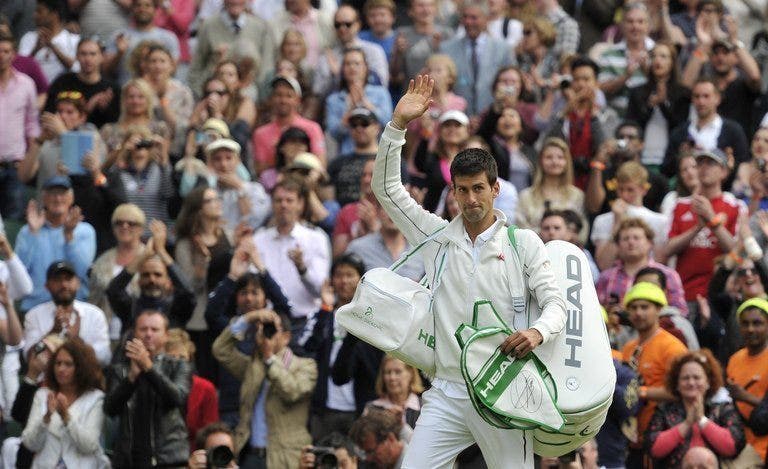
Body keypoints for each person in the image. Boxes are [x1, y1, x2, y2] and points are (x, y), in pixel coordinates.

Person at [373, 75, 566, 467]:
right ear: (454, 191)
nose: (471, 198)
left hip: (504, 384)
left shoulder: (523, 242)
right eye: (463, 190)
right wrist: (396, 127)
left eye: (479, 188)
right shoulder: (437, 237)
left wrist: (536, 331)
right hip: (447, 391)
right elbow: (388, 190)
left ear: (495, 189)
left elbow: (556, 304)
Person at [212, 310, 317, 468]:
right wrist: (248, 318)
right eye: (263, 329)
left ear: (287, 337)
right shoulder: (253, 366)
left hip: (285, 458)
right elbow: (221, 350)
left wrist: (269, 358)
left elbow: (292, 391)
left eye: (273, 330)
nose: (266, 334)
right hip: (249, 454)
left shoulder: (305, 366)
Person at [205, 239, 291, 428]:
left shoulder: (274, 327)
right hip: (232, 406)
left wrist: (261, 267)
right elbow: (211, 314)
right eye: (243, 293)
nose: (249, 298)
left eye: (255, 292)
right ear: (236, 298)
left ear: (265, 297)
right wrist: (232, 276)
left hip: (265, 406)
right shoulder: (231, 327)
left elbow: (285, 306)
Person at [105, 310, 191, 468]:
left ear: (166, 336)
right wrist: (130, 378)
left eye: (155, 329)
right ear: (134, 333)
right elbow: (110, 408)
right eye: (143, 329)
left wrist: (148, 368)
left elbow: (177, 398)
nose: (148, 334)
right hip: (128, 459)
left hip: (168, 458)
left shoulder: (178, 365)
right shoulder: (119, 370)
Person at [665, 149, 747, 305]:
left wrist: (712, 220)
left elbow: (737, 252)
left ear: (723, 171)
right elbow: (668, 249)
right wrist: (697, 228)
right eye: (699, 163)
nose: (703, 168)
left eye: (710, 163)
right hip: (683, 294)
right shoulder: (680, 205)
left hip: (720, 294)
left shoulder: (736, 206)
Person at [621, 282, 689, 467]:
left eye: (645, 307)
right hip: (633, 438)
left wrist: (640, 392)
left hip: (664, 434)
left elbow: (681, 391)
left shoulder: (672, 347)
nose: (639, 313)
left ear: (659, 309)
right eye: (633, 308)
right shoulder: (628, 348)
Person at [303, 254, 371, 439]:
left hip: (358, 407)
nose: (344, 281)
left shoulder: (370, 319)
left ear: (361, 279)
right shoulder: (322, 314)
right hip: (324, 407)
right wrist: (326, 308)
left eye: (350, 275)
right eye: (339, 275)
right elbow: (307, 348)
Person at [252, 178, 331, 332]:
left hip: (304, 323)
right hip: (267, 321)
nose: (284, 205)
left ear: (300, 204)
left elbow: (320, 289)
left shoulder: (316, 238)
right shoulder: (259, 239)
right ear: (272, 204)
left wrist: (302, 268)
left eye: (289, 200)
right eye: (279, 200)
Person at [646, 349, 745, 467]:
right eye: (685, 378)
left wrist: (702, 420)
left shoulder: (723, 409)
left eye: (697, 377)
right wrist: (687, 424)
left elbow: (733, 447)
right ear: (677, 384)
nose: (691, 382)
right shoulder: (664, 410)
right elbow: (653, 449)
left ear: (708, 382)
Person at [21, 338, 107, 468]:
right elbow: (30, 444)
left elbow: (89, 446)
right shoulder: (43, 395)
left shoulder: (96, 399)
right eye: (58, 363)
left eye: (68, 364)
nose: (61, 369)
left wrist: (67, 418)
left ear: (81, 367)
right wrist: (46, 419)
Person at [15, 176, 96, 310]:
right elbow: (18, 273)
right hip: (35, 307)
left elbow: (82, 272)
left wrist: (69, 236)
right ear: (44, 199)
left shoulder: (85, 231)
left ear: (71, 198)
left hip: (73, 307)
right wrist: (33, 234)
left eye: (62, 193)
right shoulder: (27, 231)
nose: (58, 199)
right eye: (53, 194)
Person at [106, 220, 195, 331]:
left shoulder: (176, 308)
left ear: (168, 280)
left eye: (158, 275)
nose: (152, 280)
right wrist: (143, 256)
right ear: (138, 280)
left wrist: (162, 252)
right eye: (146, 275)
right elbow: (113, 291)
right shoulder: (130, 307)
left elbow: (188, 292)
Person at [23, 260, 111, 365]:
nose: (64, 285)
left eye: (68, 279)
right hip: (45, 378)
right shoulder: (34, 315)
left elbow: (105, 358)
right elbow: (28, 358)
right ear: (47, 286)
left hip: (85, 379)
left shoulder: (95, 314)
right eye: (57, 280)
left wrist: (76, 340)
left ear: (78, 283)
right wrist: (52, 333)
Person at [438, 0, 515, 116]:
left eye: (474, 18)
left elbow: (511, 84)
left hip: (493, 117)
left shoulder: (503, 49)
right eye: (465, 17)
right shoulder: (447, 49)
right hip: (457, 118)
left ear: (486, 19)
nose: (468, 22)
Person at [662, 79, 749, 180]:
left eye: (706, 96)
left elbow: (744, 165)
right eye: (696, 96)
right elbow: (666, 170)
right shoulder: (679, 133)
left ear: (718, 99)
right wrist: (680, 156)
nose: (701, 101)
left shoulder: (733, 131)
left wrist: (728, 165)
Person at [597, 217, 687, 312]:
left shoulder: (668, 275)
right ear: (618, 245)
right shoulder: (606, 277)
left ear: (650, 243)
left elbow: (680, 311)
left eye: (636, 238)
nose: (631, 242)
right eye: (625, 239)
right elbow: (596, 311)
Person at [591, 162, 668, 270]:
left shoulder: (660, 220)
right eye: (620, 189)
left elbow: (659, 262)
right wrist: (617, 222)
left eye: (630, 190)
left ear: (644, 189)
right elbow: (604, 265)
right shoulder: (602, 220)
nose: (624, 195)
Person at [626, 41, 691, 169]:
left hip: (671, 159)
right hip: (641, 158)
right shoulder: (637, 92)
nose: (657, 61)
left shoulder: (683, 93)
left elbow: (680, 126)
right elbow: (632, 124)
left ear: (672, 62)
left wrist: (662, 105)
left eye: (663, 57)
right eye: (654, 56)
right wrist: (650, 107)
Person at [189, 0, 275, 96]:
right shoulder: (208, 26)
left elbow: (266, 68)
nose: (235, 1)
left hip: (250, 94)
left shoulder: (260, 27)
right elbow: (196, 68)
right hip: (215, 93)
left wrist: (261, 97)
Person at [89, 204, 145, 340]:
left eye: (131, 223)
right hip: (104, 333)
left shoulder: (150, 259)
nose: (124, 227)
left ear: (141, 229)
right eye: (119, 223)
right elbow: (94, 299)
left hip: (140, 332)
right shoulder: (102, 261)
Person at [0, 30, 40, 221]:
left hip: (15, 164)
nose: (2, 56)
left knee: (13, 220)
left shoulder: (26, 84)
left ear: (14, 54)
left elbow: (32, 123)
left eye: (6, 51)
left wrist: (33, 154)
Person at [325, 48, 392, 157]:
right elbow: (334, 133)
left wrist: (366, 104)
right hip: (347, 157)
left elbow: (389, 125)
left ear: (366, 68)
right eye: (348, 64)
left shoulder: (381, 93)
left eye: (357, 63)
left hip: (377, 156)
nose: (352, 67)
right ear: (342, 69)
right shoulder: (333, 100)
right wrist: (350, 110)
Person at [252, 75, 325, 175]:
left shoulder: (312, 128)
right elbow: (260, 170)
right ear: (271, 98)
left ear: (298, 100)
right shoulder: (260, 133)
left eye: (289, 96)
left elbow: (320, 164)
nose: (283, 100)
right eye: (278, 95)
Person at [312, 5, 389, 97]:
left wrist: (340, 74)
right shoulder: (326, 57)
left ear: (358, 25)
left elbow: (382, 84)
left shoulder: (374, 51)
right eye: (338, 25)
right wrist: (332, 77)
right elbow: (317, 93)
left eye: (348, 24)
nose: (342, 28)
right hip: (337, 108)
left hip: (371, 107)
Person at [515, 137, 586, 238]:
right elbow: (520, 230)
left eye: (560, 157)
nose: (554, 161)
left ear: (567, 162)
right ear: (540, 161)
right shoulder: (526, 196)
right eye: (549, 157)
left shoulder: (577, 195)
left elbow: (582, 231)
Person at [44, 37, 121, 128]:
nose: (88, 59)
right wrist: (89, 106)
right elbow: (48, 115)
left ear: (101, 57)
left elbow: (116, 123)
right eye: (83, 54)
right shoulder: (62, 82)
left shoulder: (112, 89)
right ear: (76, 56)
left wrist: (104, 109)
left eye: (93, 54)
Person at [726, 298, 768, 461]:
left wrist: (745, 397)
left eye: (757, 323)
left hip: (762, 442)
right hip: (737, 439)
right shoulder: (735, 359)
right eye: (745, 324)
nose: (750, 329)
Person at [597, 2, 655, 117]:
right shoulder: (608, 54)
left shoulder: (658, 52)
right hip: (614, 117)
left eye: (640, 22)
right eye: (630, 21)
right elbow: (600, 90)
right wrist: (625, 77)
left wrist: (648, 72)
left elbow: (668, 89)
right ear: (622, 25)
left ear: (648, 25)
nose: (635, 27)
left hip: (648, 118)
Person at [166, 328, 219, 449]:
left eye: (183, 358)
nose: (178, 363)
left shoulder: (206, 388)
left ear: (190, 358)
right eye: (172, 358)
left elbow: (210, 433)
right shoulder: (153, 384)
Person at [103, 0, 179, 85]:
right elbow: (106, 70)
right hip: (127, 91)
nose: (142, 9)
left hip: (157, 93)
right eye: (138, 5)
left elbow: (173, 70)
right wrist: (119, 53)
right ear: (132, 9)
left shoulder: (168, 38)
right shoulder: (119, 36)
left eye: (147, 5)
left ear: (155, 10)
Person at [413, 110, 471, 212]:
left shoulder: (473, 159)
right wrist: (426, 131)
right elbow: (419, 163)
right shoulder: (433, 160)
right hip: (436, 219)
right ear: (440, 131)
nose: (452, 129)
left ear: (467, 130)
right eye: (447, 125)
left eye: (457, 125)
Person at [142, 43, 194, 157]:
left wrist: (163, 103)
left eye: (162, 61)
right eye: (153, 61)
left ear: (171, 65)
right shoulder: (139, 89)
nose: (158, 66)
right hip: (144, 147)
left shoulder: (183, 92)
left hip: (174, 148)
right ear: (146, 65)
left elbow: (182, 127)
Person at [99, 78, 171, 155]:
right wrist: (122, 148)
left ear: (148, 100)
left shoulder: (160, 129)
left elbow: (164, 164)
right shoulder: (108, 131)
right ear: (124, 100)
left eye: (141, 97)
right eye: (131, 96)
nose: (135, 101)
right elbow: (102, 165)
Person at [17, 0, 79, 84]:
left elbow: (76, 68)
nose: (34, 15)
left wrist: (52, 47)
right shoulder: (28, 37)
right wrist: (36, 49)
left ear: (54, 14)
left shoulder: (73, 40)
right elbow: (20, 68)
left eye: (39, 11)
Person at [366, 355, 424, 430]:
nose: (392, 377)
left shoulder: (424, 408)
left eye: (398, 372)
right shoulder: (372, 409)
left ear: (411, 374)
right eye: (388, 372)